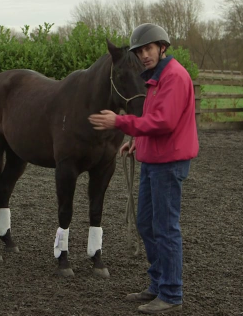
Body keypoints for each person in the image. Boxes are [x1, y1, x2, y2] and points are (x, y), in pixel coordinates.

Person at [88, 23, 199, 314]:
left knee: (165, 227)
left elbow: (164, 122)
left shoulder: (174, 77)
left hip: (169, 162)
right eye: (140, 52)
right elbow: (150, 117)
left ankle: (171, 293)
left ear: (162, 48)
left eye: (149, 49)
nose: (144, 55)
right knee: (146, 224)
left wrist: (121, 123)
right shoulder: (153, 78)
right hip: (153, 159)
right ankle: (158, 284)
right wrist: (136, 140)